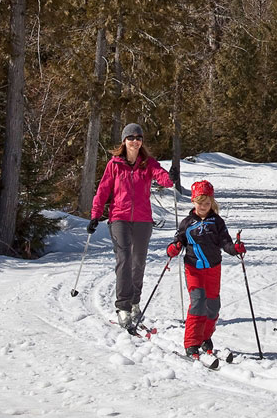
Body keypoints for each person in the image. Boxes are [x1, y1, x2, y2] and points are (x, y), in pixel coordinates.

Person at [88, 123, 173, 330]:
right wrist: (95, 215)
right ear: (124, 141)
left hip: (143, 220)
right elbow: (103, 190)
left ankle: (135, 301)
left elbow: (163, 178)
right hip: (119, 218)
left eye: (138, 137)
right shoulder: (114, 165)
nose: (135, 141)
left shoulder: (148, 163)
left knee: (138, 262)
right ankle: (123, 306)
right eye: (131, 138)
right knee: (124, 259)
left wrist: (171, 178)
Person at [167, 179, 246, 359]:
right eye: (200, 202)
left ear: (212, 202)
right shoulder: (187, 223)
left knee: (213, 306)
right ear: (193, 201)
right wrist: (174, 248)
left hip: (213, 269)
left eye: (207, 203)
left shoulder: (217, 222)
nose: (203, 206)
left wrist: (235, 249)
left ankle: (205, 338)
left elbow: (225, 243)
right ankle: (191, 343)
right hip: (193, 268)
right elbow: (177, 241)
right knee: (198, 302)